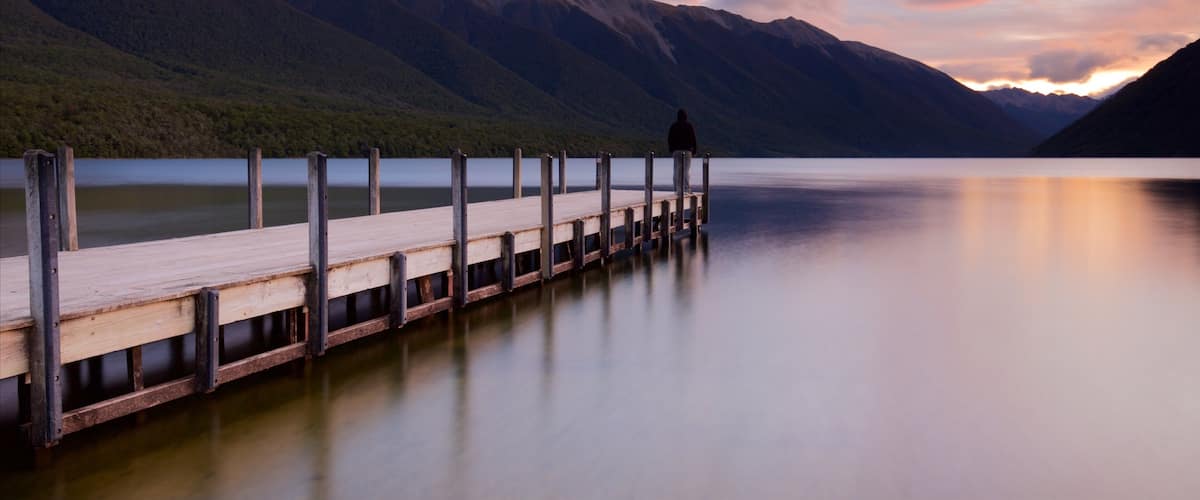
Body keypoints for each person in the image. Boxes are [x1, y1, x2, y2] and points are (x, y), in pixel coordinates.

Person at [667, 109, 697, 191]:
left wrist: (671, 149)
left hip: (676, 151)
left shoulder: (674, 126)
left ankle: (676, 188)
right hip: (687, 151)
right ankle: (686, 188)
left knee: (676, 170)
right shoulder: (689, 126)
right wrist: (694, 151)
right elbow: (693, 139)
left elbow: (670, 139)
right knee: (686, 171)